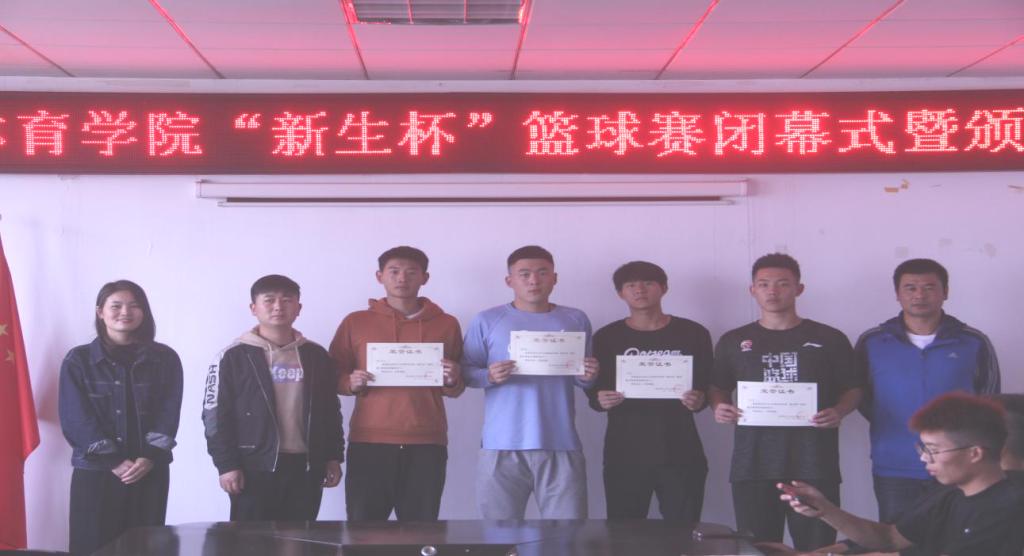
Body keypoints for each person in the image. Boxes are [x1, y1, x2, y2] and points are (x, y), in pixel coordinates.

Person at [709, 253, 863, 551]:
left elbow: (853, 387)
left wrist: (840, 410)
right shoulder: (734, 340)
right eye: (764, 284)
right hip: (752, 463)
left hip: (814, 462)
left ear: (798, 289)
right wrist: (719, 406)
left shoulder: (829, 338)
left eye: (782, 283)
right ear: (752, 290)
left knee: (817, 548)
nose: (773, 291)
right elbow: (717, 386)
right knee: (758, 548)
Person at [780, 392, 1024, 555]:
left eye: (933, 450)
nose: (924, 458)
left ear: (975, 453)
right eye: (923, 448)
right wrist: (826, 510)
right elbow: (891, 538)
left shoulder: (1007, 507)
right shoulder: (949, 494)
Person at [857, 258, 1000, 525]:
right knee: (895, 537)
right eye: (910, 288)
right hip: (895, 465)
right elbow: (861, 397)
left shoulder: (973, 341)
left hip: (959, 465)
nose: (919, 295)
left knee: (957, 537)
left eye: (929, 287)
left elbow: (990, 401)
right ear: (897, 294)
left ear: (945, 292)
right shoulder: (873, 341)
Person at [461, 245, 599, 519]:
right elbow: (465, 372)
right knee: (499, 534)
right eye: (524, 274)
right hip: (501, 443)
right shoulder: (487, 320)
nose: (534, 280)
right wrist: (489, 376)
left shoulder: (576, 319)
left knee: (566, 533)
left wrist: (589, 377)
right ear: (509, 280)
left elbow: (582, 379)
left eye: (542, 273)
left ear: (554, 278)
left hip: (560, 441)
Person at [330, 246, 464, 521]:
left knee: (421, 529)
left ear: (425, 278)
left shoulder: (447, 324)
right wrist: (349, 382)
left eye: (411, 272)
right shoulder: (356, 322)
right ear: (379, 276)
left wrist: (452, 379)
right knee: (364, 530)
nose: (402, 278)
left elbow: (457, 386)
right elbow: (333, 375)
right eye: (394, 271)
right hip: (369, 440)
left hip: (426, 440)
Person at [203, 274, 344, 521]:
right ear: (253, 308)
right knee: (251, 539)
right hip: (253, 465)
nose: (278, 307)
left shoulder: (316, 355)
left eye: (287, 300)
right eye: (269, 300)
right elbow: (215, 416)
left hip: (306, 465)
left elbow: (330, 410)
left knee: (301, 537)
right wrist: (226, 465)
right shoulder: (233, 357)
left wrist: (333, 456)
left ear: (298, 308)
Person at [59, 280, 183, 555]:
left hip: (148, 470)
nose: (125, 312)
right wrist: (113, 460)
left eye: (134, 305)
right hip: (96, 471)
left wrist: (149, 455)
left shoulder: (165, 358)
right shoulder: (78, 360)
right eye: (116, 306)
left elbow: (169, 411)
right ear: (100, 312)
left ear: (144, 312)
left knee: (146, 547)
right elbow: (75, 417)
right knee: (93, 546)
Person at [587, 260, 711, 521]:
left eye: (648, 283)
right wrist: (599, 399)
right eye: (631, 285)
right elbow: (594, 390)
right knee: (625, 534)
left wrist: (699, 399)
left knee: (683, 532)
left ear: (664, 288)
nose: (640, 290)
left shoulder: (693, 333)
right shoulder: (607, 337)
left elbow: (707, 385)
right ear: (620, 293)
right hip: (625, 452)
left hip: (681, 450)